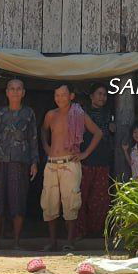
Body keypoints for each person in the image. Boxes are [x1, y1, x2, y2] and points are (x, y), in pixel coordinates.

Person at [40, 84, 102, 251]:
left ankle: (70, 241)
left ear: (71, 96)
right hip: (52, 163)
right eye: (57, 95)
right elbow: (43, 131)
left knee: (71, 203)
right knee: (49, 202)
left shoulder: (78, 114)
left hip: (70, 163)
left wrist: (84, 154)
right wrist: (46, 147)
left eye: (63, 95)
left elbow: (98, 133)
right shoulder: (50, 115)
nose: (60, 98)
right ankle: (52, 241)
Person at [0, 78, 38, 250]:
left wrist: (34, 162)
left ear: (23, 93)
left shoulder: (28, 113)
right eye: (11, 89)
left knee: (18, 201)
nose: (15, 92)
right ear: (6, 92)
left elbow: (33, 138)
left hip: (20, 162)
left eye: (18, 89)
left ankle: (16, 242)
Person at [76, 83, 115, 239]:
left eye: (104, 94)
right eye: (99, 93)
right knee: (81, 198)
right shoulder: (82, 113)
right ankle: (80, 232)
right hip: (85, 161)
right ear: (91, 96)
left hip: (103, 161)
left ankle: (97, 232)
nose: (102, 97)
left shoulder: (109, 114)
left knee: (100, 200)